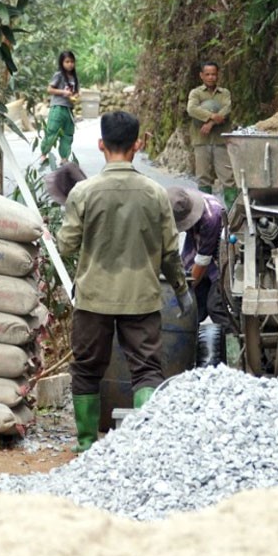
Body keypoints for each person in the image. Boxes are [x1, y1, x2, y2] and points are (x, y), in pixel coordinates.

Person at [57, 111, 193, 452]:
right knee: (147, 369)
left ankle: (87, 444)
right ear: (139, 144)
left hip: (93, 298)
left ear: (101, 145)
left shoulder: (84, 192)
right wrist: (182, 290)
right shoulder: (156, 194)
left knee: (87, 370)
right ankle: (143, 445)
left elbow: (66, 244)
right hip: (142, 298)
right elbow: (170, 253)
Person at [166, 186, 236, 350]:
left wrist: (184, 288)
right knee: (193, 308)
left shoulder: (211, 217)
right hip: (199, 251)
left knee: (216, 306)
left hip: (220, 259)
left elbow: (203, 261)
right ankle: (187, 349)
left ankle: (235, 350)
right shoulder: (182, 198)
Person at [186, 61, 236, 209]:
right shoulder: (195, 93)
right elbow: (192, 109)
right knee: (203, 178)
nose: (211, 77)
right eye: (207, 74)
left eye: (213, 74)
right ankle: (205, 211)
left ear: (218, 75)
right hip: (201, 141)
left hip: (221, 140)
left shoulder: (224, 93)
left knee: (228, 178)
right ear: (201, 75)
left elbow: (226, 109)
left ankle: (233, 214)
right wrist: (213, 117)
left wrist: (210, 123)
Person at [39, 50, 80, 164]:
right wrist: (63, 92)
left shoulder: (74, 77)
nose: (70, 64)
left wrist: (76, 95)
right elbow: (49, 89)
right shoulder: (59, 75)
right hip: (58, 107)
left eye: (72, 62)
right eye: (67, 61)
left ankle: (64, 158)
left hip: (69, 109)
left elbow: (76, 91)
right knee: (52, 131)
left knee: (68, 134)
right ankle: (44, 154)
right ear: (62, 63)